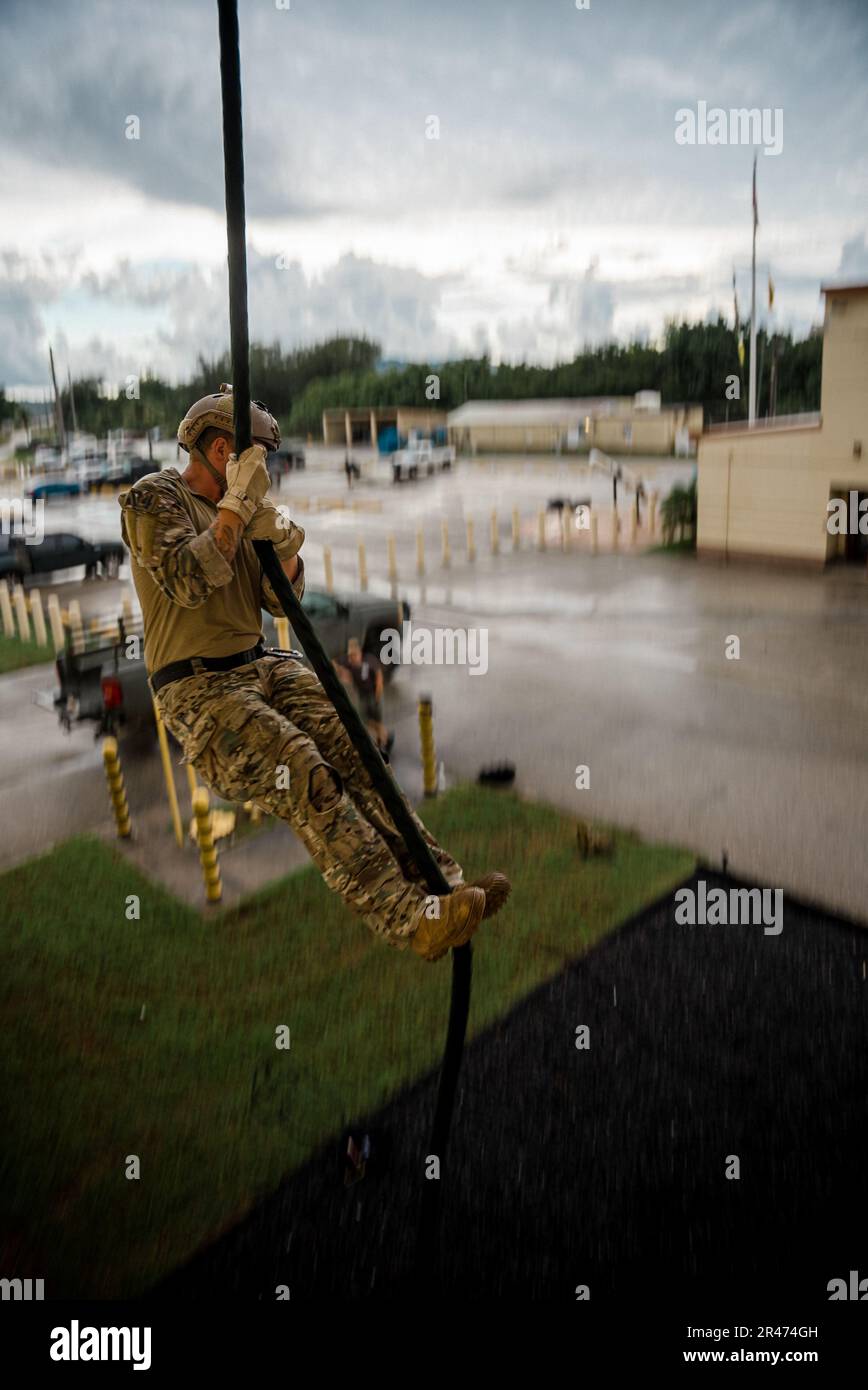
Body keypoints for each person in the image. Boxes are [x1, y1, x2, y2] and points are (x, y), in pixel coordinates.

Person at [118, 385, 509, 961]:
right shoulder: (154, 498)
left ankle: (442, 884)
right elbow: (188, 579)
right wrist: (234, 510)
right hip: (201, 690)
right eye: (254, 460)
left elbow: (284, 599)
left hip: (260, 668)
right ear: (222, 451)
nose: (264, 472)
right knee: (304, 771)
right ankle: (410, 920)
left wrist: (279, 543)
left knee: (358, 747)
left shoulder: (242, 513)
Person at [334, 637, 392, 756]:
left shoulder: (369, 661)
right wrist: (343, 673)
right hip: (363, 697)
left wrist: (377, 695)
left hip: (373, 695)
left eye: (354, 655)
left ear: (359, 653)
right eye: (350, 655)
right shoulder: (348, 662)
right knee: (365, 720)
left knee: (377, 721)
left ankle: (383, 745)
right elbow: (333, 663)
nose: (352, 658)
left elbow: (378, 677)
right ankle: (384, 737)